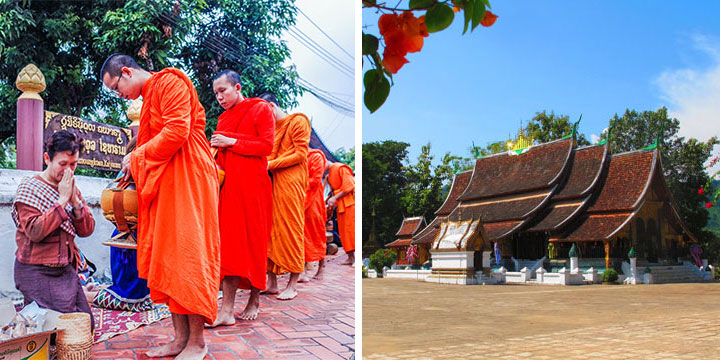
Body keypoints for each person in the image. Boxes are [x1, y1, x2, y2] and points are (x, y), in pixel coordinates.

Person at [100, 54, 220, 359]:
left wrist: (136, 157)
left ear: (126, 72)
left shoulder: (169, 82)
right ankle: (180, 339)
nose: (119, 95)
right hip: (167, 182)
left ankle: (197, 343)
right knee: (168, 259)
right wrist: (137, 157)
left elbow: (178, 131)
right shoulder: (151, 95)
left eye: (117, 88)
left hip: (187, 177)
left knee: (187, 256)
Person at [208, 70, 274, 324]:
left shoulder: (260, 109)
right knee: (230, 246)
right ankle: (226, 311)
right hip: (230, 188)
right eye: (216, 93)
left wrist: (232, 141)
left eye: (223, 91)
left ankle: (255, 299)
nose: (219, 97)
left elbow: (266, 146)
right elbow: (219, 152)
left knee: (255, 242)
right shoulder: (224, 119)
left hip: (255, 188)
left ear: (237, 87)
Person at [12, 130, 96, 331]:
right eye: (63, 164)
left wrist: (75, 203)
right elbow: (35, 232)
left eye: (73, 164)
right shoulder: (29, 187)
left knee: (86, 326)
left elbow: (86, 230)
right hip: (36, 270)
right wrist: (61, 201)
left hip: (64, 270)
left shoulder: (70, 187)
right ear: (47, 159)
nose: (68, 171)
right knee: (59, 331)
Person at [259, 92, 310, 300]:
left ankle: (292, 284)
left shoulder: (298, 120)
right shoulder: (271, 130)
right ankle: (271, 282)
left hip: (291, 182)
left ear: (271, 106)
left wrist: (271, 164)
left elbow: (300, 154)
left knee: (291, 229)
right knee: (269, 232)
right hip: (271, 183)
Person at [299, 148, 328, 282]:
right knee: (301, 235)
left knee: (317, 235)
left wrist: (296, 183)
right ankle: (303, 269)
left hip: (313, 201)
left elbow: (315, 180)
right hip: (299, 199)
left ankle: (321, 267)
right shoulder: (296, 156)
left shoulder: (316, 156)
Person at [326, 160, 355, 265]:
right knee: (344, 232)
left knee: (351, 230)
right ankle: (350, 257)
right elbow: (333, 192)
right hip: (340, 206)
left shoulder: (340, 168)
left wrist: (335, 197)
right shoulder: (328, 176)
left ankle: (356, 257)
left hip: (349, 204)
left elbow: (350, 185)